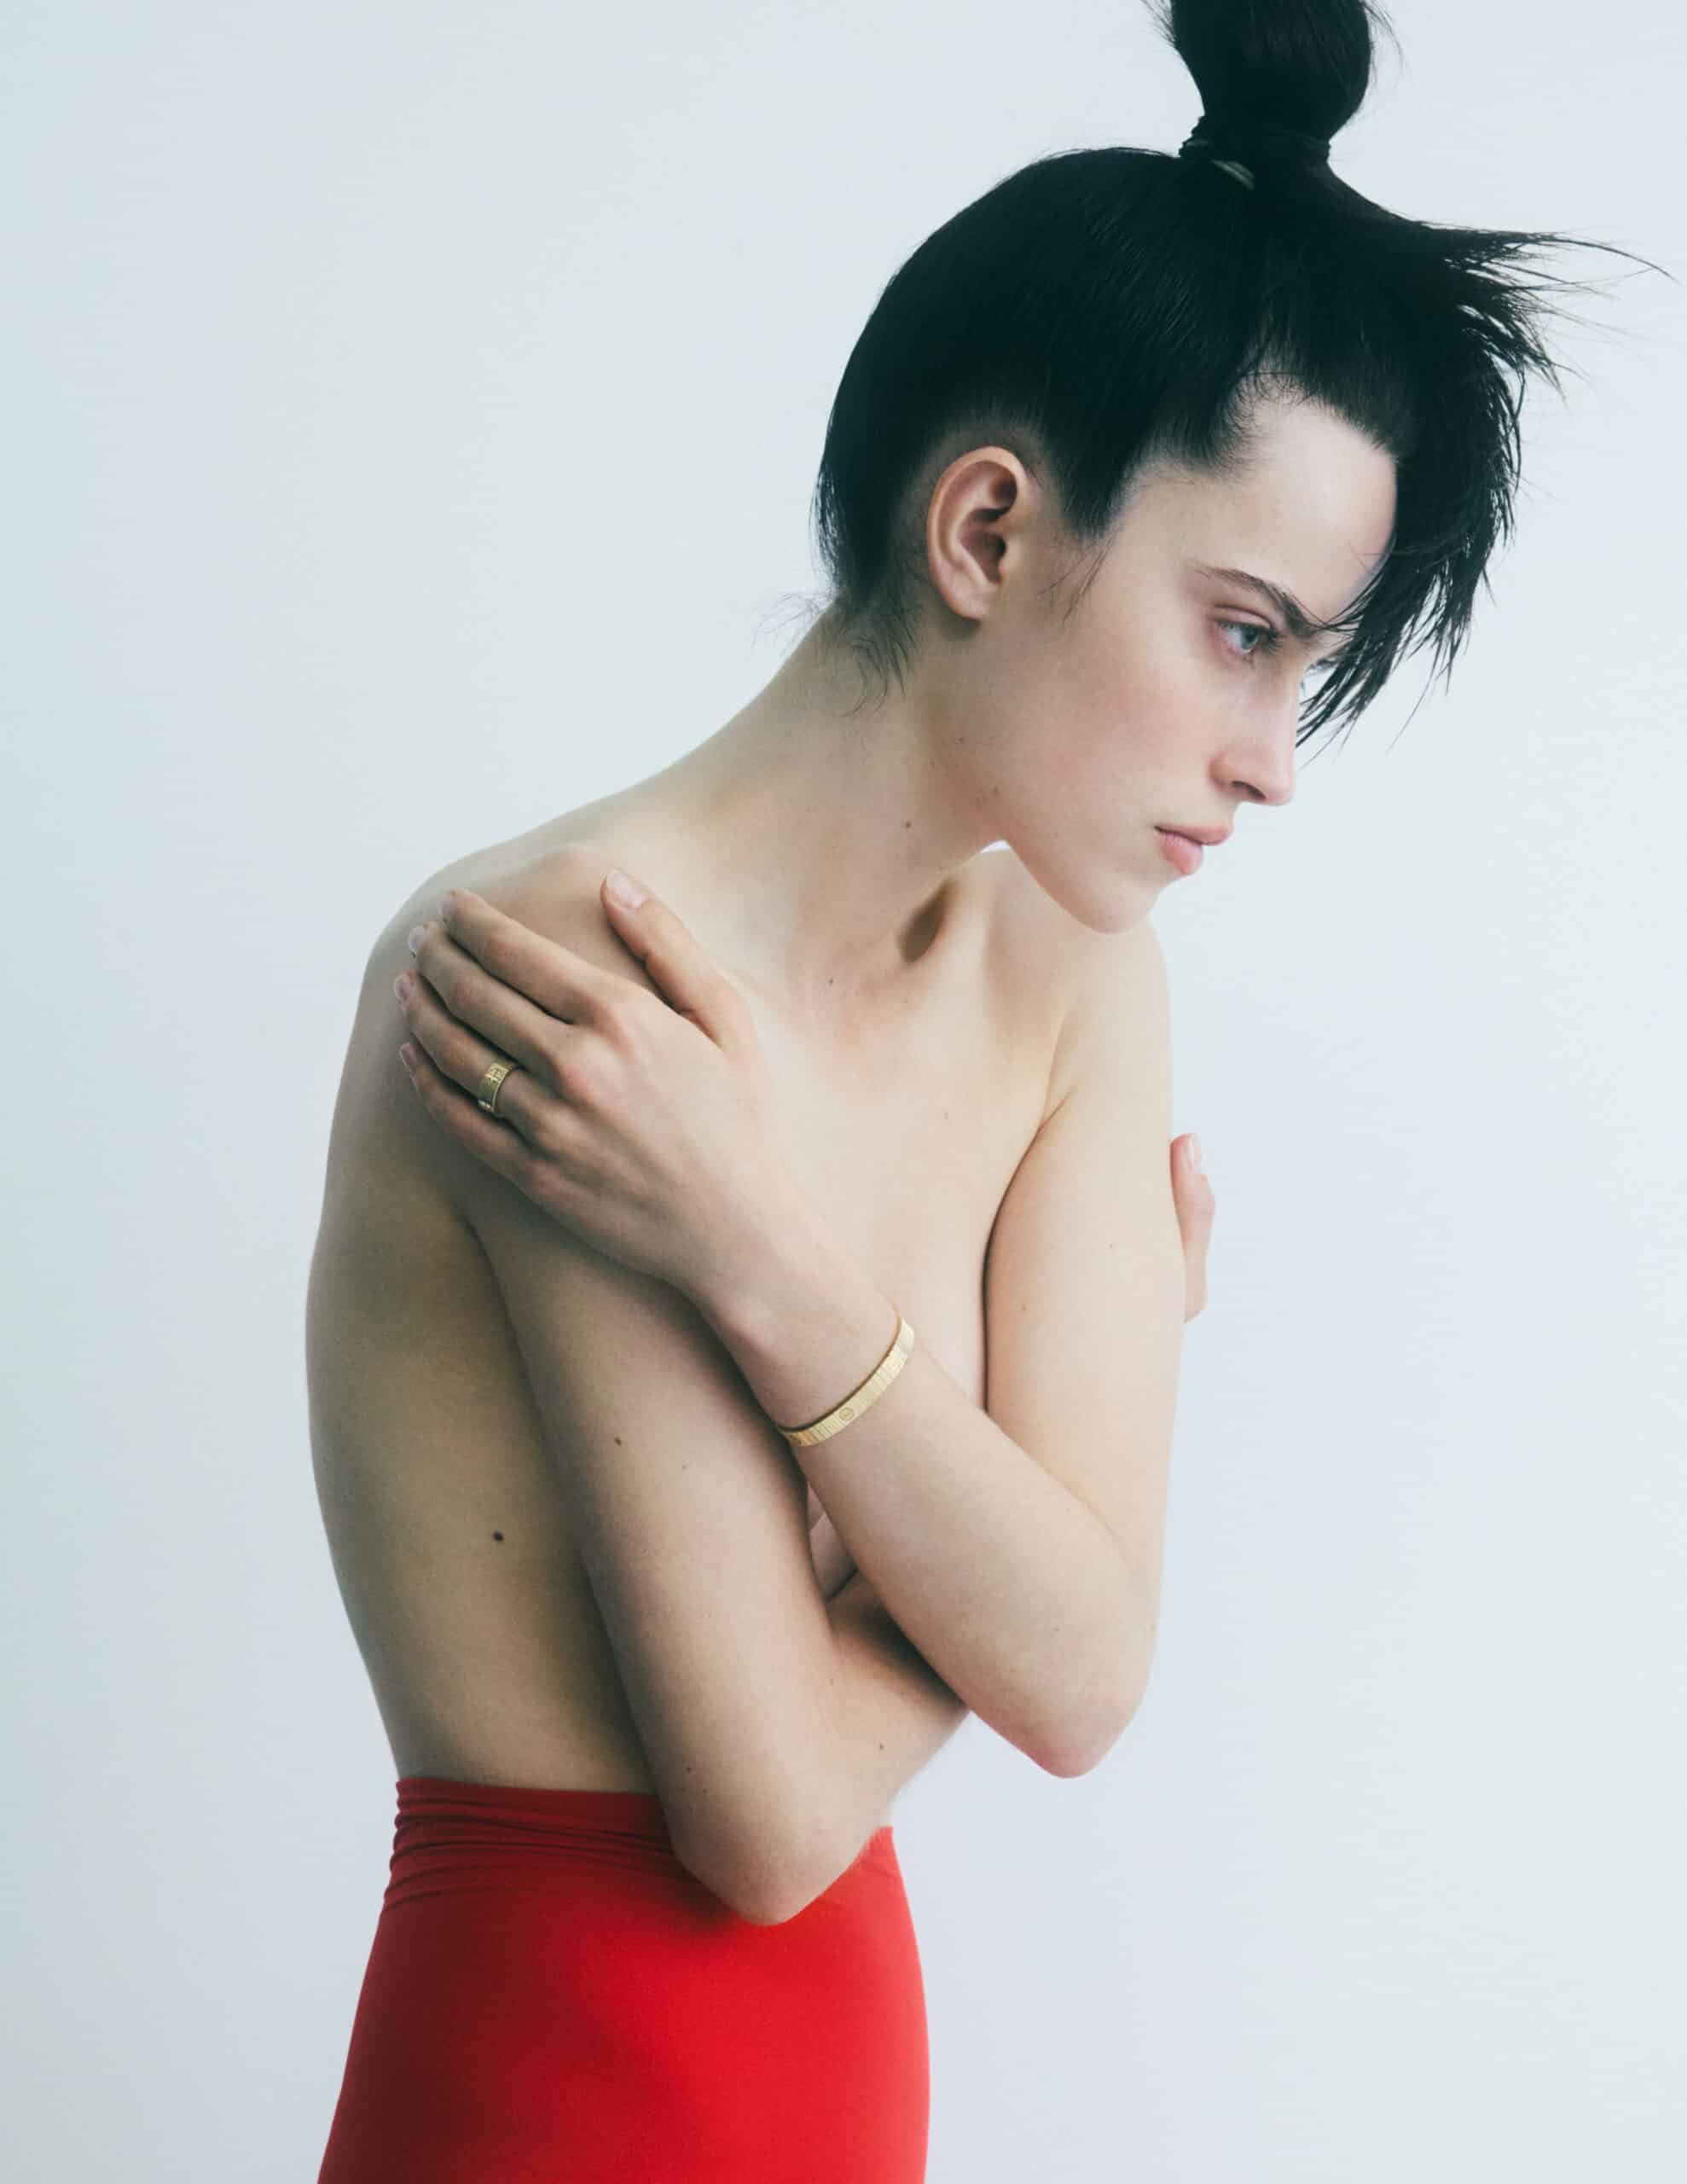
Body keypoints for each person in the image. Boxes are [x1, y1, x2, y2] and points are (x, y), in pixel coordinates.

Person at [307, 3, 1641, 2175]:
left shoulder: (1078, 978)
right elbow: (764, 1807)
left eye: (1304, 665)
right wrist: (1003, 1497)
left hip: (843, 2078)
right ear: (990, 529)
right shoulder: (562, 981)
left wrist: (761, 1256)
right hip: (545, 2083)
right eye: (1240, 630)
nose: (1270, 762)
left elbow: (1090, 1676)